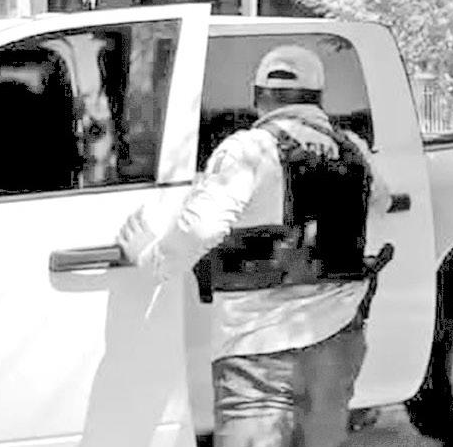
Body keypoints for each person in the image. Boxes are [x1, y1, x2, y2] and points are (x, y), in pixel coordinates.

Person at [114, 44, 392, 446]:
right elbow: (382, 201)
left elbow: (201, 228)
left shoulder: (248, 150)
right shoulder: (353, 149)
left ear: (258, 97)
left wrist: (151, 257)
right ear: (318, 98)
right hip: (336, 342)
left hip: (258, 347)